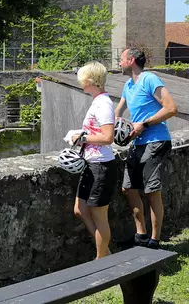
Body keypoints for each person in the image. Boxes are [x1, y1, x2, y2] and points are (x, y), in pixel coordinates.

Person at [116, 47, 178, 249]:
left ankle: (154, 240)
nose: (119, 62)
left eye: (121, 59)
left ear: (131, 60)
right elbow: (118, 112)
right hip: (138, 143)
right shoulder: (128, 85)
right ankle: (140, 235)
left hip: (156, 140)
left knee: (152, 192)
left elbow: (170, 108)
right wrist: (115, 126)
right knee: (128, 188)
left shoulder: (149, 79)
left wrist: (144, 124)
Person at [70, 61, 118, 259]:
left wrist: (82, 138)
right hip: (92, 163)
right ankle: (106, 254)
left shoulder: (103, 104)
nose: (81, 83)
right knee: (80, 209)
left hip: (101, 165)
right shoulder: (97, 102)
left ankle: (102, 263)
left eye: (83, 79)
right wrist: (81, 136)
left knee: (100, 218)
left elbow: (108, 137)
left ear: (90, 80)